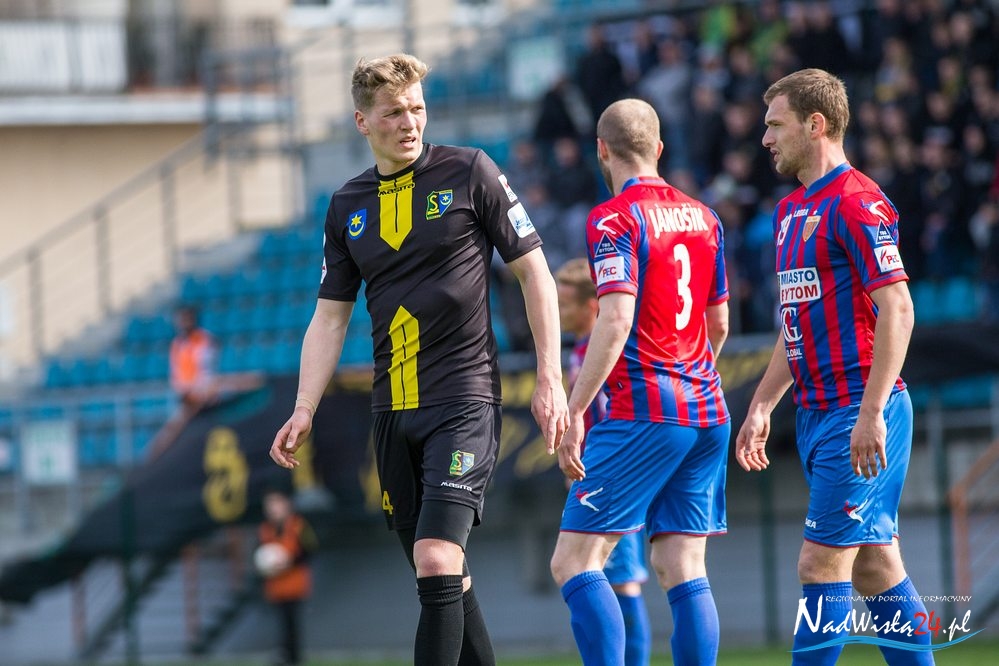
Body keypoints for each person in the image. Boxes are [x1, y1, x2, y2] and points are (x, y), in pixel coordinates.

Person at [269, 54, 569, 666]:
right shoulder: (347, 205)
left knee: (435, 557)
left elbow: (535, 273)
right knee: (444, 576)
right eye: (393, 113)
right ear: (362, 121)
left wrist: (550, 377)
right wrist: (304, 406)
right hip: (393, 412)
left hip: (464, 401)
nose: (409, 123)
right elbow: (330, 317)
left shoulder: (470, 170)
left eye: (417, 109)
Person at [736, 68, 933, 664]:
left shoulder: (857, 201)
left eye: (776, 125)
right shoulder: (790, 210)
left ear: (815, 124)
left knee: (819, 564)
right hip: (818, 414)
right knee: (875, 568)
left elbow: (898, 307)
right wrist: (763, 403)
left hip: (860, 410)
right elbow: (795, 320)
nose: (766, 138)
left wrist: (871, 413)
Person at [549, 98, 731, 665]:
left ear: (601, 150)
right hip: (708, 408)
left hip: (646, 409)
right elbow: (719, 323)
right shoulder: (705, 217)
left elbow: (615, 319)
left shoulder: (613, 217)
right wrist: (692, 375)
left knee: (574, 561)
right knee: (682, 566)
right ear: (659, 148)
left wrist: (575, 412)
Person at [555, 258, 651, 666]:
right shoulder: (580, 350)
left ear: (591, 305)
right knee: (599, 575)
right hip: (592, 475)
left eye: (565, 304)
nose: (559, 312)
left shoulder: (608, 349)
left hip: (613, 477)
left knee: (623, 581)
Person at [257, 488, 317, 666]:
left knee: (292, 620)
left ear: (287, 504)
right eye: (269, 505)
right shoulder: (265, 529)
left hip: (295, 583)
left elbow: (310, 550)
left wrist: (288, 562)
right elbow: (260, 555)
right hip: (275, 585)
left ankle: (294, 655)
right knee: (281, 620)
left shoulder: (299, 525)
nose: (273, 508)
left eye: (276, 503)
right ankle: (284, 652)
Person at [169, 305, 218, 412]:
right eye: (182, 319)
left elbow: (207, 367)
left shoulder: (204, 339)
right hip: (186, 396)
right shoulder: (177, 343)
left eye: (187, 319)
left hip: (203, 395)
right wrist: (182, 391)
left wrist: (201, 391)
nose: (184, 323)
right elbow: (175, 370)